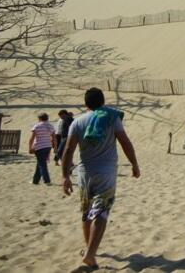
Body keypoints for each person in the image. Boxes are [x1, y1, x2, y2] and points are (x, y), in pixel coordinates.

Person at [62, 88, 140, 271]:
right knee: (101, 212)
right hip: (106, 172)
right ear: (103, 102)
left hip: (84, 173)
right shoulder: (112, 118)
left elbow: (68, 150)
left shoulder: (77, 122)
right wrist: (134, 164)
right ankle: (90, 255)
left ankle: (89, 249)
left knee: (86, 211)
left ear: (86, 103)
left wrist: (65, 176)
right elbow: (125, 142)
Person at [29, 113, 56, 185]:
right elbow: (54, 138)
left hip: (39, 146)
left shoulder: (37, 126)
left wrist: (30, 147)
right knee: (40, 163)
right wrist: (55, 148)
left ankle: (47, 180)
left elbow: (32, 138)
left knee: (42, 164)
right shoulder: (50, 126)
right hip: (48, 146)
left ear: (40, 118)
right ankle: (35, 181)